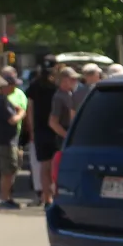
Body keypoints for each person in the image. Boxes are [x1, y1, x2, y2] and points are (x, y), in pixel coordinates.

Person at [0, 71, 27, 209]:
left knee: (12, 168)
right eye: (13, 85)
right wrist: (22, 112)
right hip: (4, 141)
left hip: (7, 140)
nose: (14, 89)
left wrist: (15, 109)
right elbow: (12, 120)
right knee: (7, 171)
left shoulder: (3, 99)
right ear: (6, 85)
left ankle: (7, 197)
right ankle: (5, 198)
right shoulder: (1, 100)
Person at [46, 66, 81, 204]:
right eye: (72, 79)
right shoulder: (59, 97)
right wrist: (67, 135)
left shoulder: (71, 94)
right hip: (64, 136)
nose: (75, 81)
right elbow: (53, 122)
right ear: (64, 81)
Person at [26, 55, 58, 207]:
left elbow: (29, 108)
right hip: (57, 129)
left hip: (40, 130)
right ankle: (55, 196)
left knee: (44, 166)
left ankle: (47, 198)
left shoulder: (34, 85)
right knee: (56, 165)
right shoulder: (58, 85)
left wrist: (31, 129)